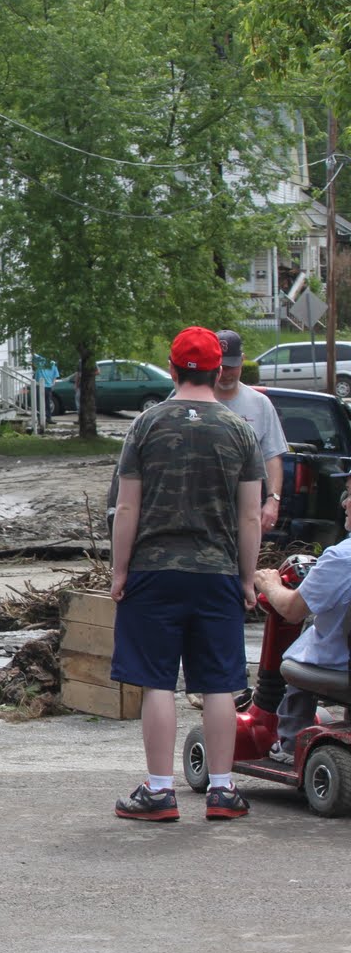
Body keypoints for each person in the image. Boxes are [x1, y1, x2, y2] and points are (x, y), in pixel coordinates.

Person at [110, 326, 262, 822]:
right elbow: (250, 517)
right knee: (219, 683)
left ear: (173, 369)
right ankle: (222, 790)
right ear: (219, 372)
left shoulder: (145, 426)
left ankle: (159, 791)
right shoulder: (240, 430)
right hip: (216, 572)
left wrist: (119, 571)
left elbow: (126, 508)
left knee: (158, 682)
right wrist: (245, 577)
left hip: (153, 572)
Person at [254, 476, 351, 764]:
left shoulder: (340, 558)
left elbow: (292, 610)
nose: (344, 503)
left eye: (349, 495)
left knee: (298, 657)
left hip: (341, 665)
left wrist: (269, 584)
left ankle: (289, 744)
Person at [213, 330, 287, 536]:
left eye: (232, 366)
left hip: (245, 510)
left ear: (243, 361)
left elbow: (272, 455)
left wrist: (273, 501)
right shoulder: (194, 399)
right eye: (220, 366)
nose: (226, 373)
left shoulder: (259, 403)